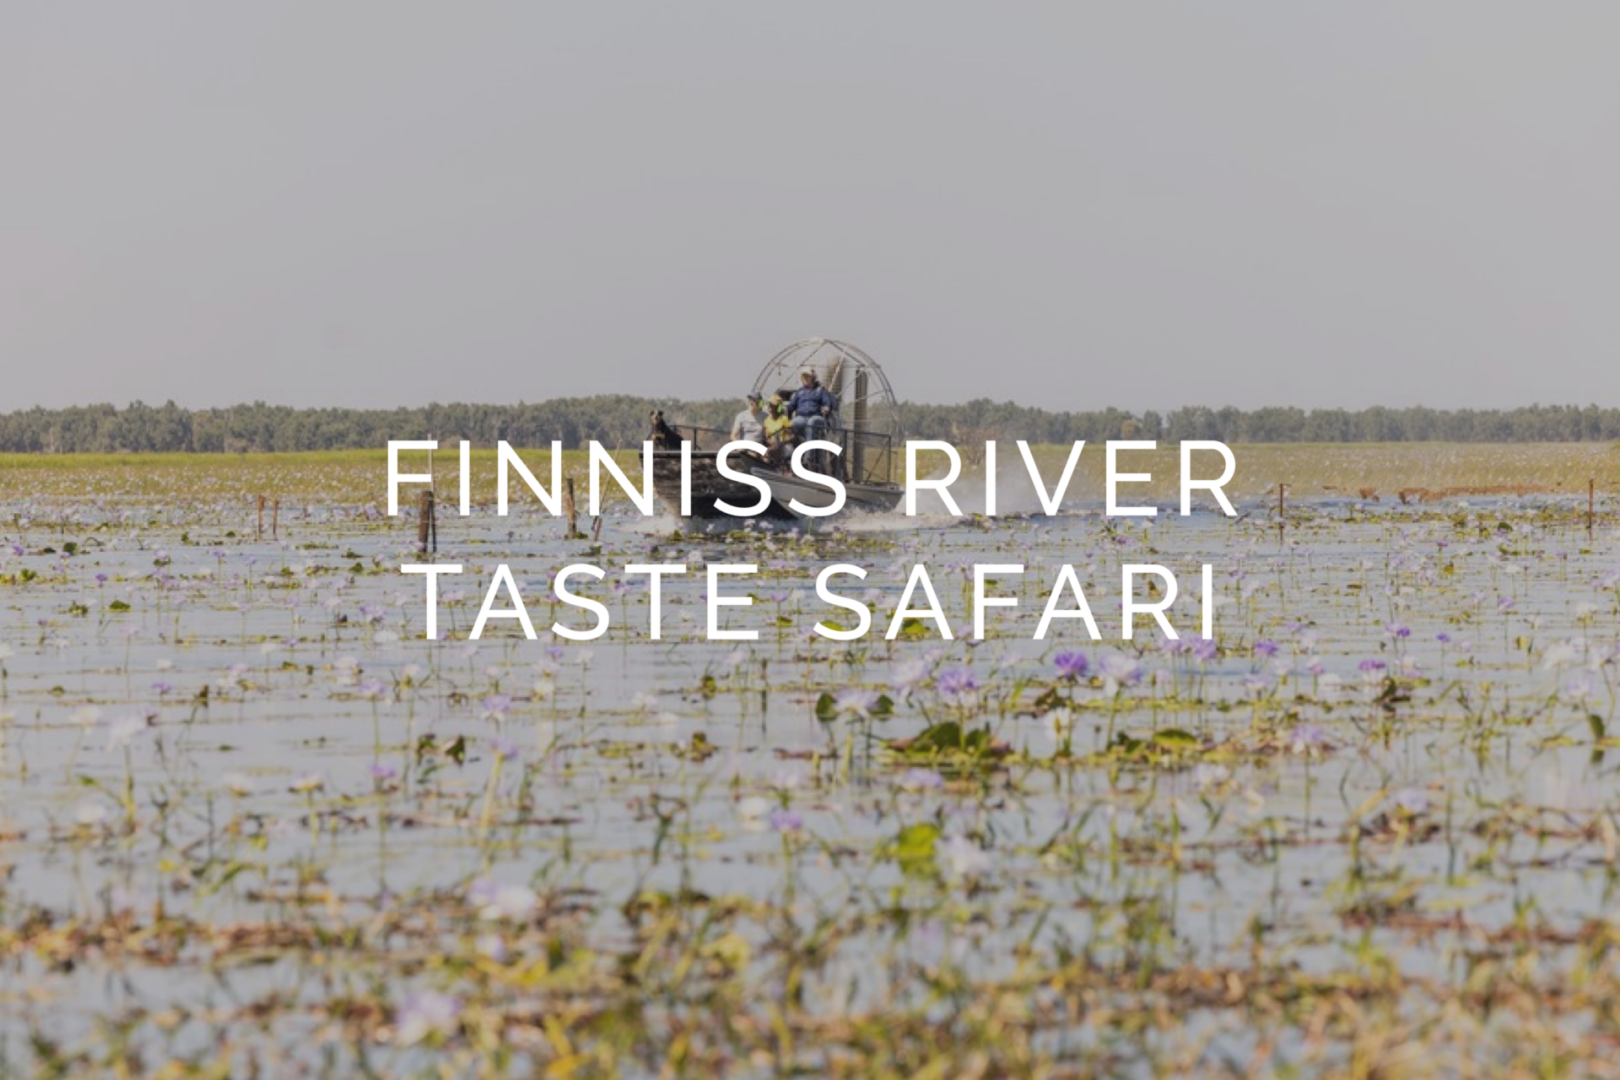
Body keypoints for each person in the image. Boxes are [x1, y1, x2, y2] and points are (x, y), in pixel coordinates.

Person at [788, 369, 836, 443]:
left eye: (807, 377)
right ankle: (796, 447)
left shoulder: (820, 390)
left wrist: (827, 407)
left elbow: (827, 402)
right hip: (802, 417)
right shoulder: (799, 392)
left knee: (811, 423)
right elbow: (791, 406)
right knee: (793, 424)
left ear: (812, 378)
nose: (805, 379)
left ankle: (809, 453)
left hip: (816, 417)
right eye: (803, 377)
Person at [762, 394, 795, 464]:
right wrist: (770, 442)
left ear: (778, 407)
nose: (770, 408)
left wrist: (783, 441)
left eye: (772, 406)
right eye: (769, 405)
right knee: (766, 451)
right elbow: (766, 437)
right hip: (772, 446)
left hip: (784, 446)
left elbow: (792, 436)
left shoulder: (784, 419)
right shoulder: (766, 421)